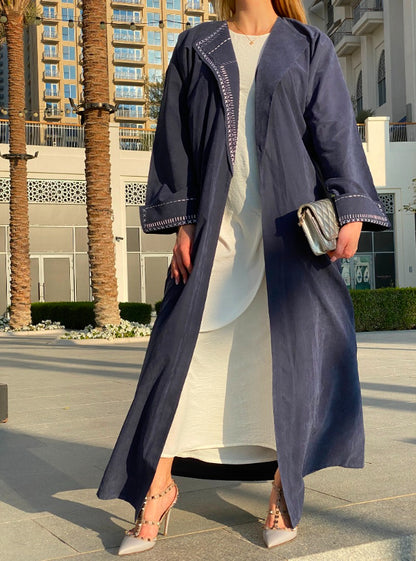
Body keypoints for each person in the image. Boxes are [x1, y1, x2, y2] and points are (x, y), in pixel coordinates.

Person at [97, 0, 390, 554]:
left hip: (288, 237)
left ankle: (285, 489)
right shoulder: (196, 45)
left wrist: (349, 207)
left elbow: (333, 130)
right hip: (217, 234)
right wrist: (183, 223)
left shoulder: (308, 45)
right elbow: (175, 139)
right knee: (178, 360)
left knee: (284, 363)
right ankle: (157, 488)